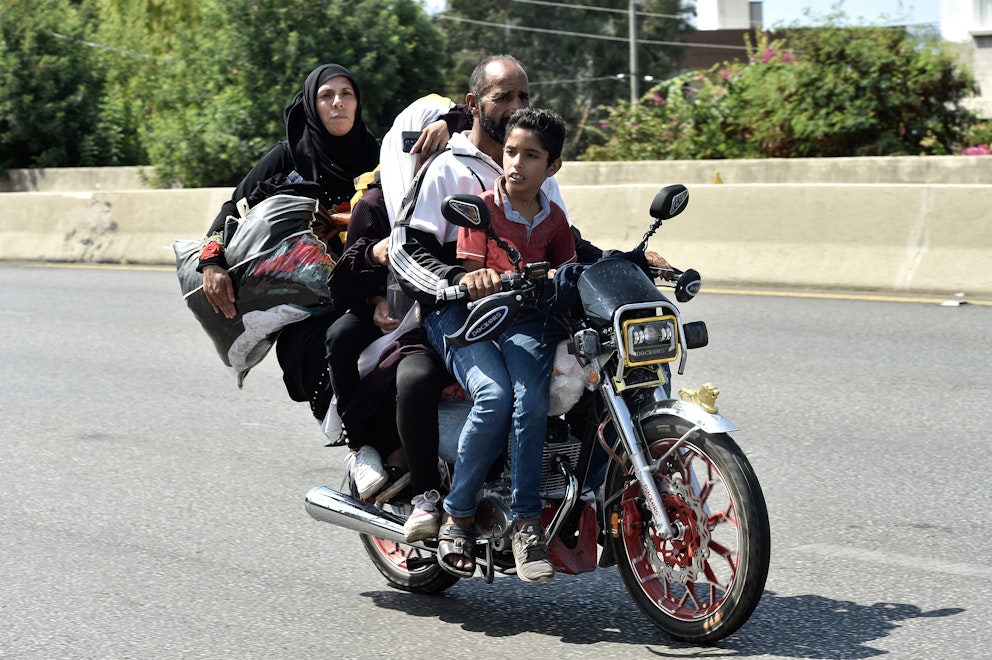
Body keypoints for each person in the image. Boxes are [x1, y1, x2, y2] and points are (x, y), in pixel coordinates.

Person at [195, 63, 380, 420]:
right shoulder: (288, 155)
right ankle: (357, 442)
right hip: (306, 298)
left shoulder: (380, 156)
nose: (338, 103)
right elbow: (233, 208)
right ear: (312, 104)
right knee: (311, 351)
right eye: (326, 96)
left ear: (358, 103)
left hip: (368, 286)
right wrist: (212, 261)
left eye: (347, 94)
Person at [323, 99, 473, 503]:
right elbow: (342, 282)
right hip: (386, 310)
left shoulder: (459, 190)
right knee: (341, 337)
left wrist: (447, 121)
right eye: (416, 145)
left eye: (436, 145)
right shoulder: (375, 204)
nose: (427, 155)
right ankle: (362, 446)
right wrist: (375, 275)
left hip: (444, 307)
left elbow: (486, 110)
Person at [455, 107, 575, 583]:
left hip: (537, 326)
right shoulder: (480, 207)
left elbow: (568, 269)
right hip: (492, 323)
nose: (517, 164)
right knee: (519, 401)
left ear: (553, 167)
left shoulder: (555, 218)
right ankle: (528, 524)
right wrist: (480, 276)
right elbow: (468, 273)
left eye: (531, 155)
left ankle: (555, 503)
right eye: (510, 152)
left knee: (548, 398)